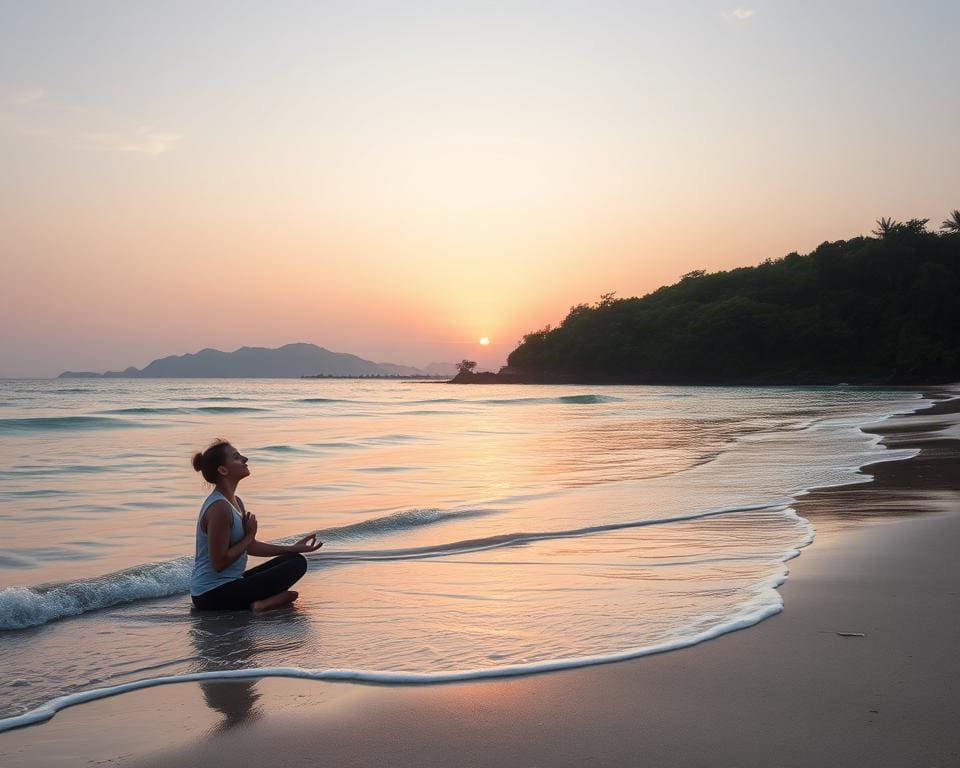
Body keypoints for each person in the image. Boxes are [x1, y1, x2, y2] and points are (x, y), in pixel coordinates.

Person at [190, 439, 323, 612]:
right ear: (223, 470)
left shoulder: (235, 502)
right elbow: (219, 562)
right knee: (296, 567)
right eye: (237, 457)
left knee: (294, 559)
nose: (245, 459)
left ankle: (262, 601)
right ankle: (261, 605)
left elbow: (249, 546)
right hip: (211, 596)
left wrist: (292, 548)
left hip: (230, 584)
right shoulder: (219, 508)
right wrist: (249, 536)